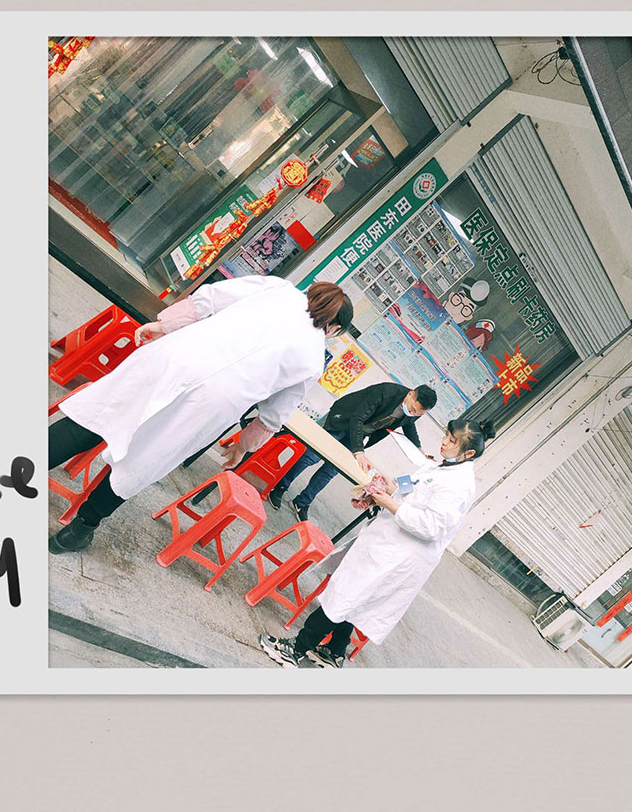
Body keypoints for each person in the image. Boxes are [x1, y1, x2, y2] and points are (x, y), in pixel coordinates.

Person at [47, 276, 353, 554]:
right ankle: (78, 530)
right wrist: (243, 446)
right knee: (143, 460)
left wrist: (165, 324)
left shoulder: (279, 289)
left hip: (178, 358)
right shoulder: (314, 358)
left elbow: (210, 298)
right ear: (334, 329)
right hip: (213, 404)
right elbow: (274, 414)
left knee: (101, 419)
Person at [259, 417, 495, 668]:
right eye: (446, 435)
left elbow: (432, 526)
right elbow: (414, 486)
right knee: (354, 599)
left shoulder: (459, 485)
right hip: (388, 540)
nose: (444, 442)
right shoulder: (442, 466)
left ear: (469, 453)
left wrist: (391, 505)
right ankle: (334, 651)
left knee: (345, 596)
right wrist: (389, 488)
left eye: (452, 440)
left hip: (400, 553)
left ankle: (296, 649)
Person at [268, 382, 438, 521]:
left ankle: (302, 502)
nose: (413, 414)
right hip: (343, 419)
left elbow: (409, 425)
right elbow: (358, 417)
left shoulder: (414, 411)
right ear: (410, 394)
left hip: (359, 433)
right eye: (413, 409)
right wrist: (359, 452)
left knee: (331, 469)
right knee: (311, 456)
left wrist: (419, 449)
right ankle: (280, 486)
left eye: (418, 413)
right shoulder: (386, 392)